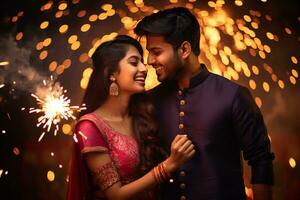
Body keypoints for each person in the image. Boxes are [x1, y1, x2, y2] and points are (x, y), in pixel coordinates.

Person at [134, 7, 275, 200]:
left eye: (156, 52)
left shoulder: (233, 95)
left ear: (184, 49)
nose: (149, 61)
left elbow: (261, 161)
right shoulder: (149, 101)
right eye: (148, 52)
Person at [66, 35, 195, 200]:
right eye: (134, 63)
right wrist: (169, 165)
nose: (144, 68)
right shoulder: (90, 127)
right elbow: (115, 195)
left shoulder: (142, 116)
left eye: (142, 62)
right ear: (112, 73)